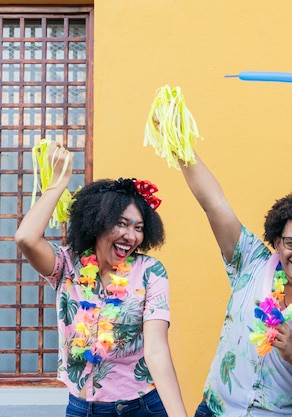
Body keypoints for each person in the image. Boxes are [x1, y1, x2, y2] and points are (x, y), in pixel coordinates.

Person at [14, 141, 188, 417]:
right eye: (121, 223)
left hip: (142, 406)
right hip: (84, 409)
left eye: (139, 228)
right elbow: (25, 238)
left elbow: (156, 350)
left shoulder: (150, 271)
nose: (131, 236)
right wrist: (57, 185)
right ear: (97, 221)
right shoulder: (67, 266)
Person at [175, 153, 292, 417]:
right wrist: (180, 146)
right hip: (214, 411)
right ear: (277, 242)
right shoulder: (250, 262)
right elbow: (214, 203)